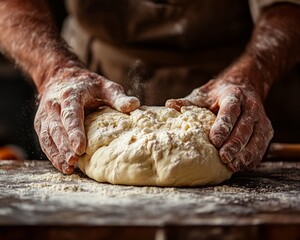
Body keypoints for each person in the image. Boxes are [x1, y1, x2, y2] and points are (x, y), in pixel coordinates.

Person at [0, 0, 299, 175]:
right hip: (91, 88)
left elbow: (288, 8)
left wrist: (251, 76)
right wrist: (56, 71)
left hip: (239, 98)